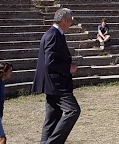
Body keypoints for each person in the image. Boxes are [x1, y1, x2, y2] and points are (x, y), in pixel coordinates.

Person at [33, 8, 81, 144]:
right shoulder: (54, 35)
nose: (71, 24)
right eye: (71, 21)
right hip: (57, 84)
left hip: (52, 84)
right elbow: (50, 62)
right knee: (73, 110)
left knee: (53, 118)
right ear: (65, 20)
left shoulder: (52, 34)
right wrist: (68, 68)